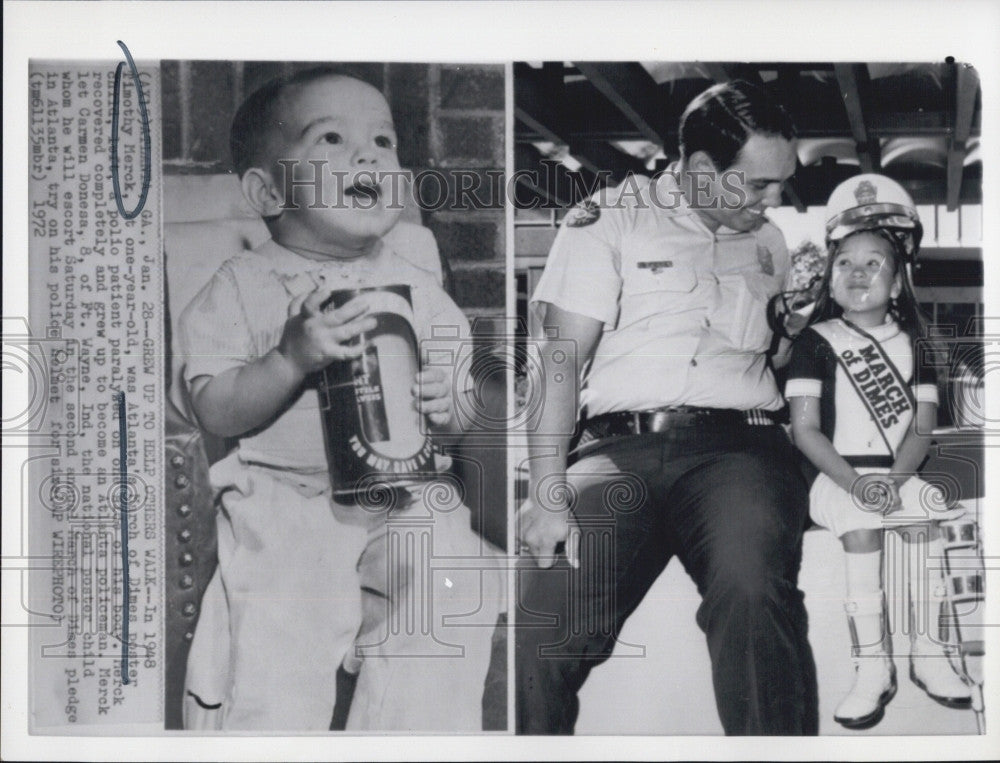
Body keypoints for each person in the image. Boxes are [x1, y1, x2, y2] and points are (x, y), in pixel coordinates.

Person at [176, 68, 503, 731]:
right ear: (267, 189)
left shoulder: (419, 287)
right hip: (287, 499)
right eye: (331, 137)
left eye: (383, 141)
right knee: (278, 644)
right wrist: (289, 358)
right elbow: (216, 407)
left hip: (405, 495)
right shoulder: (241, 285)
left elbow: (464, 412)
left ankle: (411, 731)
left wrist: (451, 402)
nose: (368, 155)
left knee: (454, 581)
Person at [514, 80, 818, 735]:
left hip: (740, 451)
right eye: (759, 184)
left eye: (782, 183)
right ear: (702, 169)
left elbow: (773, 360)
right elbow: (557, 358)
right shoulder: (608, 219)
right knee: (537, 636)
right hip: (614, 450)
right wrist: (545, 490)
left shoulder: (770, 243)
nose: (776, 201)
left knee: (753, 592)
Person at [786, 174, 972, 729]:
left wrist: (895, 478)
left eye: (874, 263)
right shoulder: (815, 342)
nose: (858, 273)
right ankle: (872, 666)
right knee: (864, 523)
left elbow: (922, 426)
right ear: (829, 276)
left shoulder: (919, 344)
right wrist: (856, 483)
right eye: (845, 262)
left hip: (896, 473)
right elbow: (805, 431)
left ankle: (929, 652)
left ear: (897, 285)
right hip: (837, 478)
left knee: (928, 526)